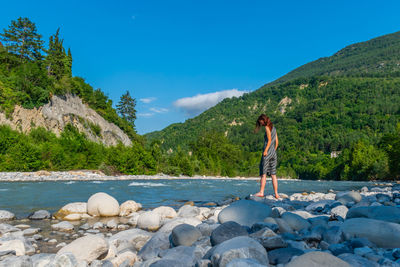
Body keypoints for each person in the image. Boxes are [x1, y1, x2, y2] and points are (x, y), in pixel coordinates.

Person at [254, 114, 279, 199]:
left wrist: (266, 151)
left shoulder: (267, 127)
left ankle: (261, 192)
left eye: (260, 121)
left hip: (267, 153)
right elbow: (277, 142)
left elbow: (269, 140)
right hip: (273, 153)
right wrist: (273, 150)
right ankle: (276, 194)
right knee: (273, 174)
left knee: (263, 173)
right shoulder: (274, 128)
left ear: (263, 120)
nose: (260, 123)